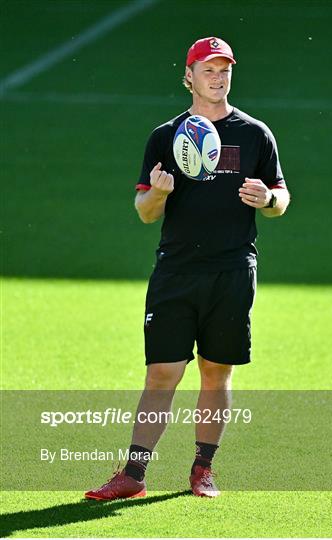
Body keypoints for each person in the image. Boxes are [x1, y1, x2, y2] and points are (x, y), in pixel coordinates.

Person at [85, 36, 290, 500]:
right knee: (162, 372)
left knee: (216, 371)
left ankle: (203, 468)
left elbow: (280, 197)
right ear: (189, 77)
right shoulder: (166, 136)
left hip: (232, 271)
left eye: (225, 70)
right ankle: (133, 475)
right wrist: (157, 192)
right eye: (209, 70)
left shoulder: (256, 134)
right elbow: (145, 211)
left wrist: (270, 200)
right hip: (176, 272)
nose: (218, 78)